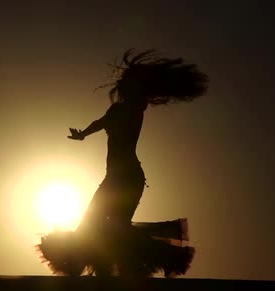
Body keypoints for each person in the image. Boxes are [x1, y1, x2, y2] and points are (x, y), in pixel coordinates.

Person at [36, 49, 209, 277]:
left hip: (125, 178)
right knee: (106, 227)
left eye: (127, 83)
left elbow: (103, 121)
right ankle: (115, 270)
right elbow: (101, 122)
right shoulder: (127, 109)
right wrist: (84, 134)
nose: (121, 86)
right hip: (122, 178)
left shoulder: (129, 109)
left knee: (102, 226)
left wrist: (84, 134)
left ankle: (119, 268)